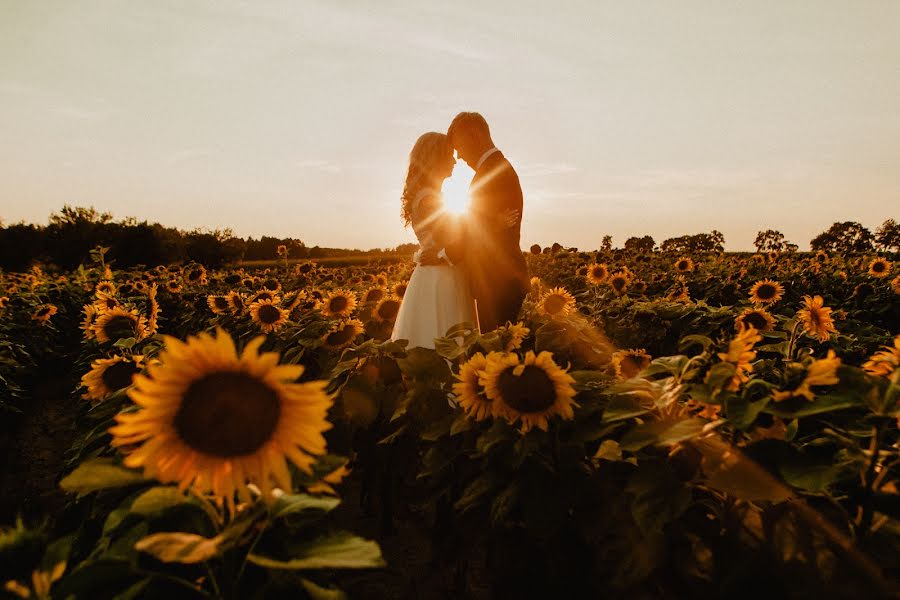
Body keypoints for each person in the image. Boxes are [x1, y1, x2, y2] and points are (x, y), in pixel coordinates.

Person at [390, 132, 476, 350]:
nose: (455, 161)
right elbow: (458, 238)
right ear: (435, 158)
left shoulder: (426, 195)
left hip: (433, 274)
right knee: (449, 340)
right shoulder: (430, 199)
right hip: (444, 277)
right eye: (449, 154)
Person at [447, 112, 529, 333]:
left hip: (498, 283)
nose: (460, 157)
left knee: (497, 355)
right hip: (496, 281)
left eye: (459, 147)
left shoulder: (495, 171)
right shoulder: (493, 168)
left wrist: (444, 254)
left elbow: (479, 228)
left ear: (473, 135)